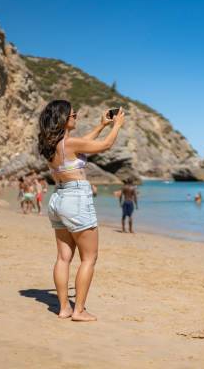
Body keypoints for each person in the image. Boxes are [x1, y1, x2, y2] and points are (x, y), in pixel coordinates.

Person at [38, 100, 124, 321]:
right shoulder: (69, 144)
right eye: (73, 115)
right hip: (75, 198)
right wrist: (117, 125)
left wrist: (102, 125)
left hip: (57, 198)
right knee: (89, 258)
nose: (76, 117)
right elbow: (104, 146)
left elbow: (82, 143)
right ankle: (79, 310)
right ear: (63, 119)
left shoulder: (52, 145)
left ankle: (64, 307)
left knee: (63, 258)